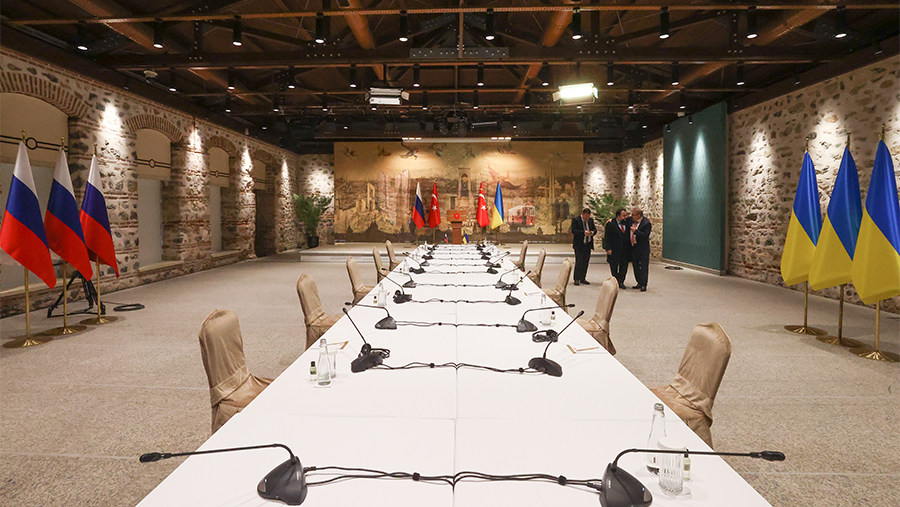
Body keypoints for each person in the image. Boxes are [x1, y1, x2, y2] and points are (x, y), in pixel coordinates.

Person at [602, 208, 630, 289]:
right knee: (614, 265)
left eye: (626, 215)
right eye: (624, 216)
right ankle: (616, 280)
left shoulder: (628, 222)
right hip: (614, 249)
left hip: (625, 249)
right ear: (618, 216)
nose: (626, 217)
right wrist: (608, 248)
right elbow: (607, 237)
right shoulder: (611, 224)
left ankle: (621, 281)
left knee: (624, 266)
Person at [570, 207, 597, 286]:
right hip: (579, 244)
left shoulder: (590, 220)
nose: (587, 218)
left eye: (588, 217)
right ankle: (576, 278)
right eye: (586, 217)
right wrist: (583, 232)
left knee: (586, 261)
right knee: (579, 261)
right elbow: (573, 230)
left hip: (588, 244)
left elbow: (595, 229)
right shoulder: (576, 220)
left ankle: (583, 277)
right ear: (582, 214)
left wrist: (592, 232)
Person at [629, 208, 652, 292]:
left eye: (633, 215)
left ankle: (643, 284)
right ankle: (639, 282)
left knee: (643, 266)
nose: (632, 216)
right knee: (635, 266)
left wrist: (636, 231)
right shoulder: (632, 221)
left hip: (643, 248)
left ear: (638, 215)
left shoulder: (646, 223)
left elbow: (645, 235)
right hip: (634, 247)